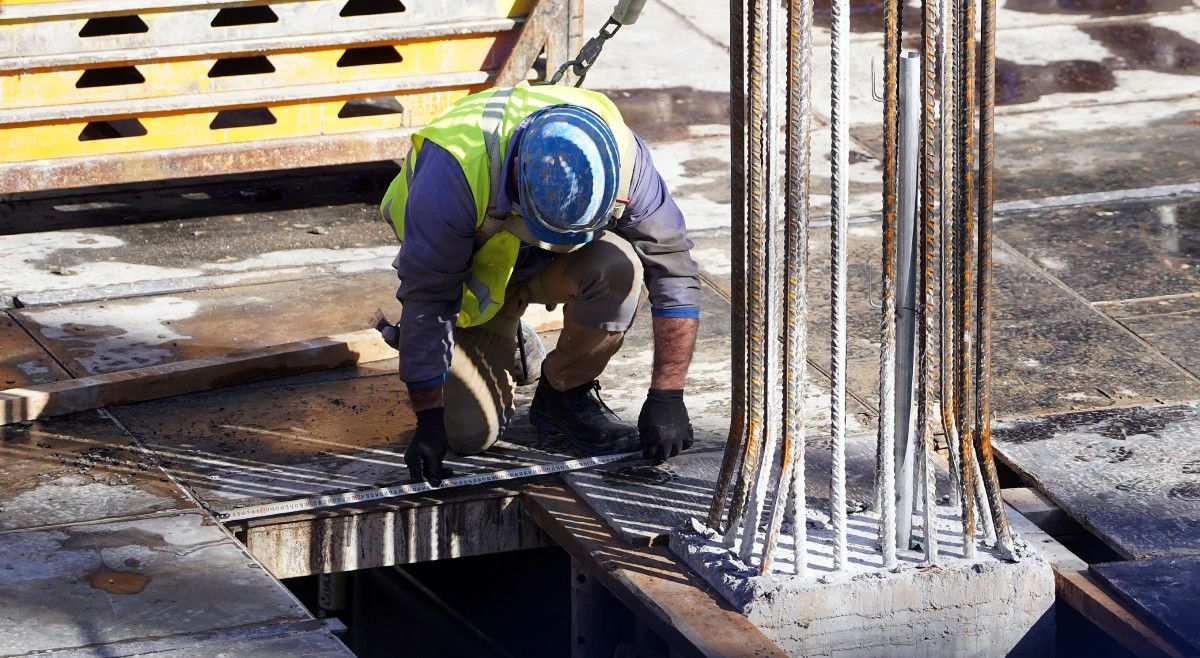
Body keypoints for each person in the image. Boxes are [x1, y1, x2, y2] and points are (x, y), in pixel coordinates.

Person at [379, 84, 701, 483]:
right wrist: (428, 416)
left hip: (539, 266)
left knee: (619, 266)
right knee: (466, 435)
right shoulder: (453, 171)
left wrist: (668, 394)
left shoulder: (625, 159)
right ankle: (504, 333)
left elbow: (675, 271)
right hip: (468, 282)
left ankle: (564, 393)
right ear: (516, 174)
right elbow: (430, 298)